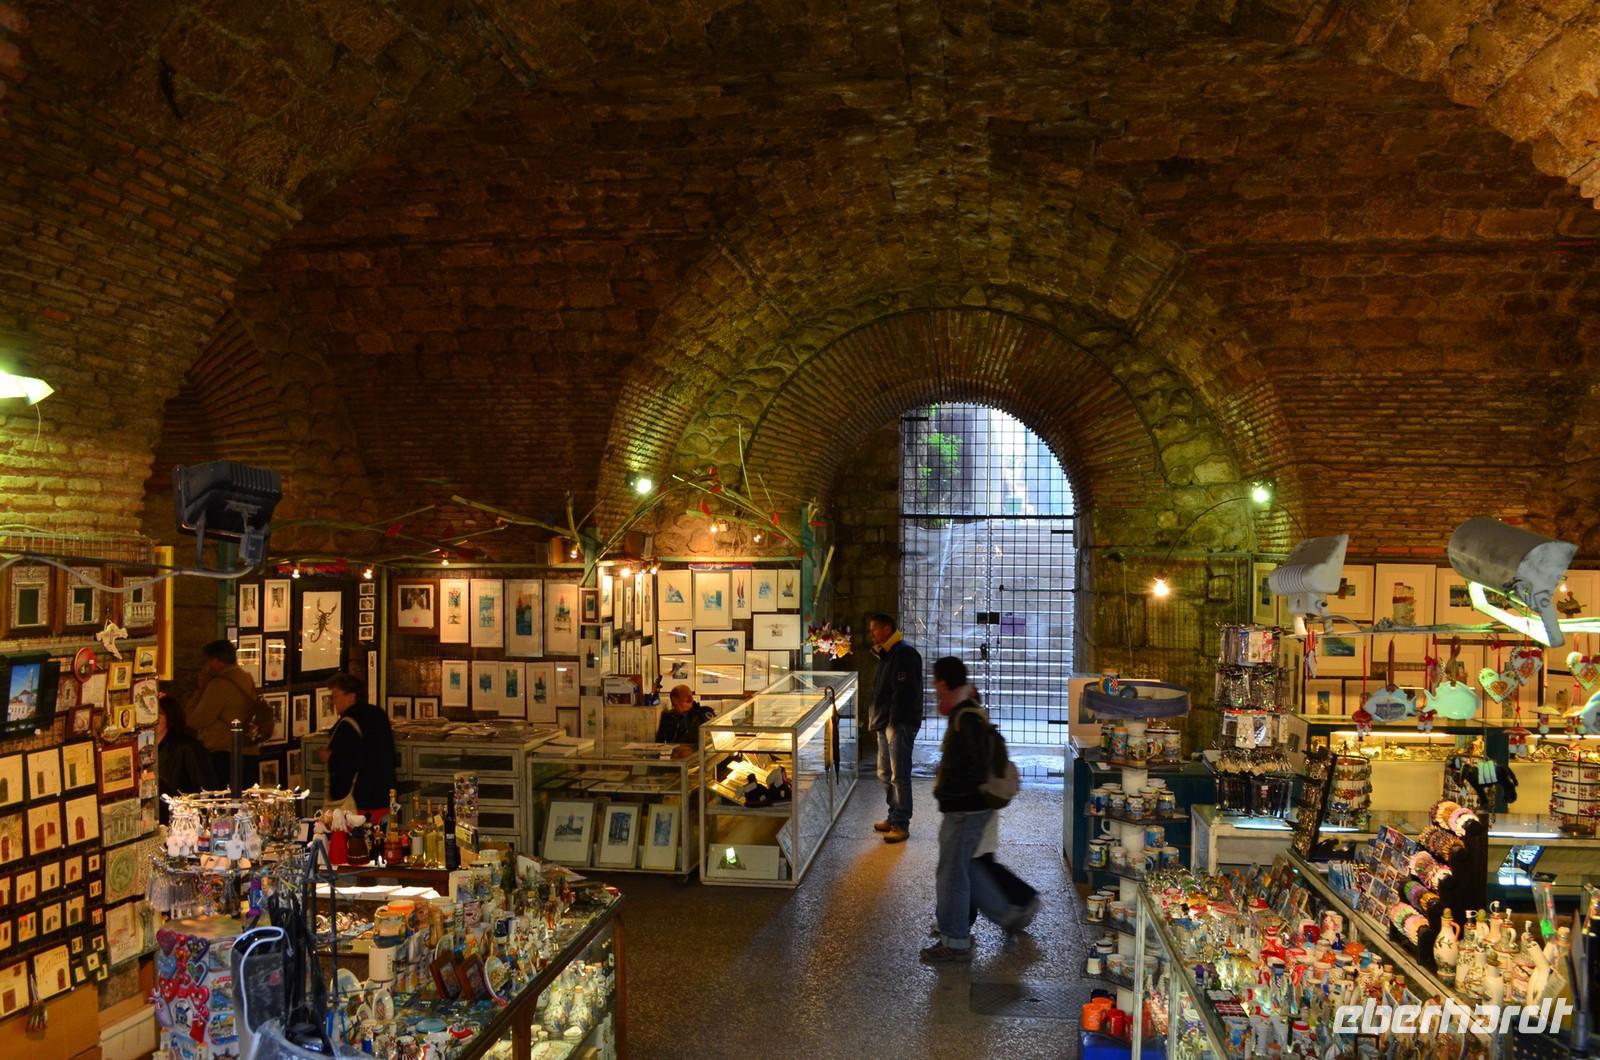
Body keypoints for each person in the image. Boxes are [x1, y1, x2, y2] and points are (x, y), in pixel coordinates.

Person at [921, 655, 1013, 963]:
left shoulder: (966, 717)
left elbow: (973, 769)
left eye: (935, 680)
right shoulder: (965, 711)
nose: (933, 686)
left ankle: (956, 942)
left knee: (952, 876)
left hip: (965, 810)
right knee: (955, 872)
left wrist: (948, 790)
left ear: (944, 682)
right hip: (965, 808)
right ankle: (955, 934)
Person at [868, 613, 922, 843]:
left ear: (887, 629)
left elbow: (903, 692)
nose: (871, 634)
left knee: (899, 775)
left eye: (875, 629)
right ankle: (893, 815)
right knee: (885, 773)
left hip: (898, 724)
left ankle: (901, 823)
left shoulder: (904, 654)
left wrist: (895, 721)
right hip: (885, 722)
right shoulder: (886, 654)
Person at [320, 673, 397, 822]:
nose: (334, 702)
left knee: (357, 837)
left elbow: (347, 763)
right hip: (386, 797)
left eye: (336, 696)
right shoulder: (378, 714)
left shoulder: (347, 724)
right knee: (383, 834)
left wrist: (330, 758)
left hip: (359, 801)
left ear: (351, 696)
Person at [186, 639, 261, 787]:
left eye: (208, 661)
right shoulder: (246, 677)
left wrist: (201, 689)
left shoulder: (219, 685)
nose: (206, 666)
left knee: (224, 796)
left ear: (216, 661)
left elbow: (195, 720)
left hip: (224, 751)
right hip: (247, 749)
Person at [156, 693, 217, 819]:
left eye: (158, 715)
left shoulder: (188, 748)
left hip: (183, 818)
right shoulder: (145, 749)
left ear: (170, 717)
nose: (153, 721)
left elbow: (205, 790)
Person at [655, 684, 715, 753]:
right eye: (687, 698)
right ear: (675, 700)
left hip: (698, 755)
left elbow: (714, 736)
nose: (691, 699)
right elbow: (659, 742)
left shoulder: (702, 713)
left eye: (691, 696)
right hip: (677, 755)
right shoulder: (668, 717)